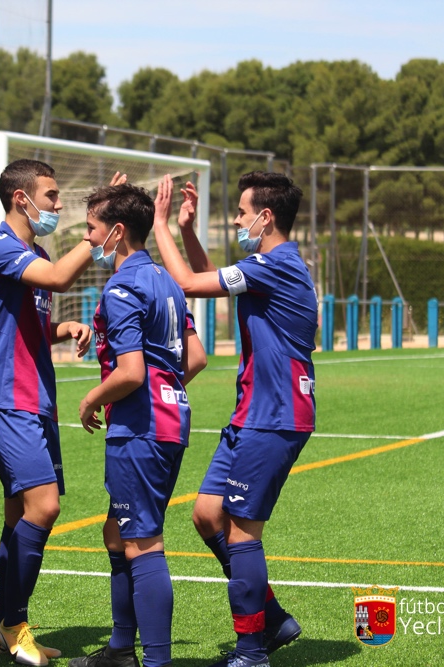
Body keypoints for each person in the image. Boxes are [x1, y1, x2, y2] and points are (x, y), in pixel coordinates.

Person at [152, 172, 317, 667]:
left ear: (266, 217)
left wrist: (157, 223)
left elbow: (187, 283)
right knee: (207, 515)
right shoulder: (269, 266)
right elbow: (214, 280)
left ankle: (251, 651)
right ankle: (273, 618)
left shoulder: (279, 264)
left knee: (244, 533)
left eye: (243, 212)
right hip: (254, 414)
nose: (238, 219)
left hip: (275, 413)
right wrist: (185, 232)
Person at [69, 183, 206, 667]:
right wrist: (161, 388)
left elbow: (130, 372)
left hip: (142, 430)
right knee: (117, 533)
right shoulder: (168, 280)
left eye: (91, 229)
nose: (89, 238)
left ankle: (155, 661)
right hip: (170, 421)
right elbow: (197, 357)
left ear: (117, 231)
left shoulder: (123, 287)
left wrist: (91, 399)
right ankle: (120, 649)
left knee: (143, 543)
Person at [0, 158, 95, 666]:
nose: (58, 205)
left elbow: (23, 324)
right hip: (4, 397)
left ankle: (5, 631)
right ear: (21, 199)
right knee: (44, 508)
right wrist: (101, 232)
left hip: (35, 399)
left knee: (19, 514)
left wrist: (61, 331)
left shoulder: (33, 251)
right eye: (51, 196)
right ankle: (16, 626)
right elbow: (62, 278)